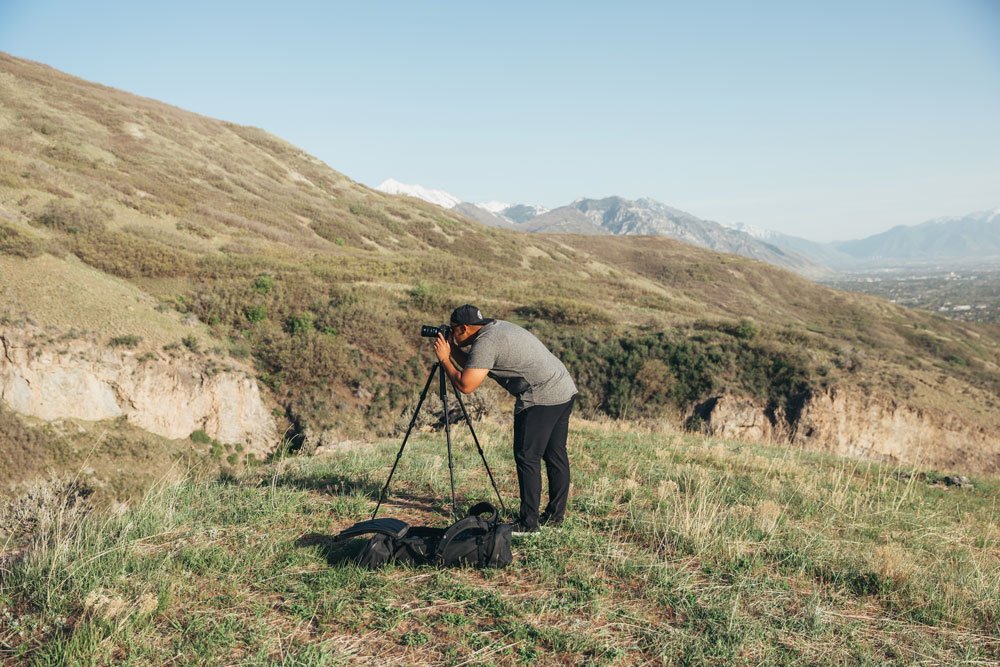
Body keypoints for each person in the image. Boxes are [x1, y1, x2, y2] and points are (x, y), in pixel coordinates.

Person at [433, 304, 578, 534]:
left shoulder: (486, 343)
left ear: (464, 328)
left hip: (541, 396)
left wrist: (444, 360)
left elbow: (465, 384)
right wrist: (451, 351)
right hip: (563, 387)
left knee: (527, 457)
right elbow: (475, 366)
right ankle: (555, 517)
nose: (451, 334)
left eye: (453, 330)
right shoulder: (494, 330)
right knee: (555, 454)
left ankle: (529, 524)